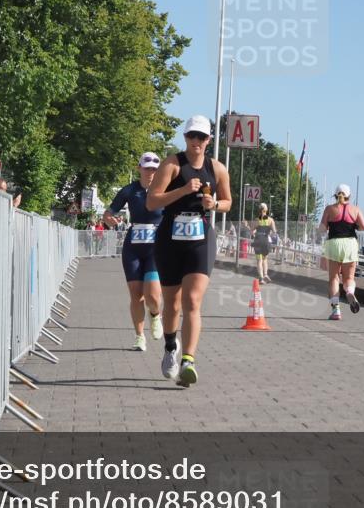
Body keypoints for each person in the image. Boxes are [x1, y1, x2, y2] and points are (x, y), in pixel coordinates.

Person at [146, 116, 232, 387]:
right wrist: (183, 190)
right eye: (192, 136)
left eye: (202, 137)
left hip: (200, 239)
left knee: (192, 301)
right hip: (170, 239)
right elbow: (152, 201)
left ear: (209, 140)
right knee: (171, 303)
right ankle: (171, 346)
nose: (196, 141)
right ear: (185, 137)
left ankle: (188, 360)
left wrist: (214, 204)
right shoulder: (172, 165)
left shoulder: (217, 169)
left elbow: (228, 202)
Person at [104, 152, 165, 351]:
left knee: (153, 296)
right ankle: (139, 336)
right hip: (133, 247)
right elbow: (109, 212)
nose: (150, 172)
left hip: (156, 248)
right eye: (147, 168)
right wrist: (108, 219)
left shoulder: (165, 190)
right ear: (139, 168)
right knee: (136, 294)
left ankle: (155, 315)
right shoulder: (129, 190)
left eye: (154, 169)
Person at [318, 183, 364, 320]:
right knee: (349, 278)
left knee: (334, 278)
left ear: (335, 195)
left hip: (334, 244)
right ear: (349, 196)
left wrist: (327, 225)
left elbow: (322, 229)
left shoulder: (329, 209)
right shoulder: (355, 209)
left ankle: (336, 311)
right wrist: (354, 225)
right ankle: (350, 292)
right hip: (350, 244)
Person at [252, 203, 275, 283]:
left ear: (259, 210)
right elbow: (274, 231)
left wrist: (255, 231)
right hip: (266, 240)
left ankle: (261, 278)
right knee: (265, 259)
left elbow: (252, 230)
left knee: (259, 260)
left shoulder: (257, 219)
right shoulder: (270, 220)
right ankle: (265, 275)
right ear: (266, 210)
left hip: (258, 240)